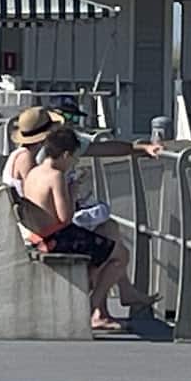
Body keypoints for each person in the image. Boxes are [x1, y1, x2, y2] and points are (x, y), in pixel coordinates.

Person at [21, 125, 143, 334]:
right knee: (121, 254)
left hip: (39, 236)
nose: (74, 163)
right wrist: (72, 189)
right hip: (58, 239)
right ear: (66, 155)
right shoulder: (56, 176)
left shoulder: (34, 172)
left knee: (105, 244)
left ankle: (95, 305)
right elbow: (65, 218)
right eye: (74, 159)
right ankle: (92, 307)